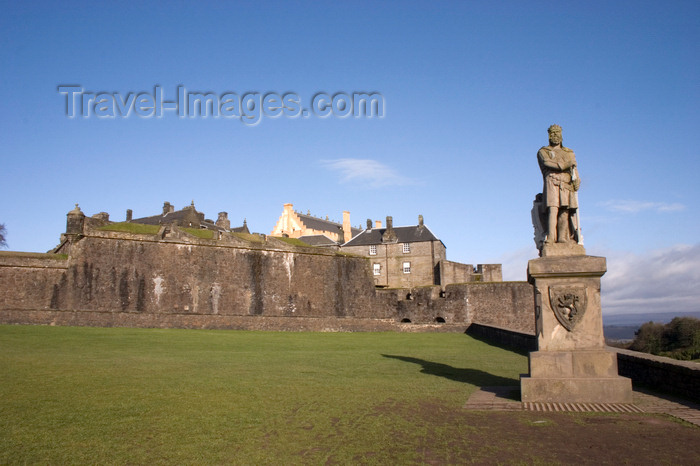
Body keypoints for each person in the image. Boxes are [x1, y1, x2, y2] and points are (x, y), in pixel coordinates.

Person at [537, 124, 580, 244]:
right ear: (549, 135)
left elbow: (575, 170)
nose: (555, 135)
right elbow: (548, 163)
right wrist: (566, 164)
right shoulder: (543, 151)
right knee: (553, 209)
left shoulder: (569, 152)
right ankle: (551, 237)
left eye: (557, 133)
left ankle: (562, 237)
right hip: (552, 182)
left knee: (564, 211)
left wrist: (577, 180)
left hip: (566, 183)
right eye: (552, 133)